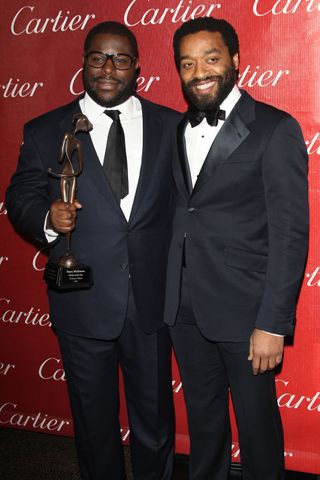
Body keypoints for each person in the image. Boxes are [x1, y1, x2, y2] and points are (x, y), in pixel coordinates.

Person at [6, 21, 181, 480]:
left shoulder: (171, 126)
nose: (109, 68)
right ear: (83, 62)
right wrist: (47, 218)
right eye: (98, 57)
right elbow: (20, 196)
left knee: (156, 424)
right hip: (81, 301)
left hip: (150, 303)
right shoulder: (46, 130)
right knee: (93, 424)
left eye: (120, 59)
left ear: (137, 66)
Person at [164, 17, 309, 480]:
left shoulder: (274, 128)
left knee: (257, 426)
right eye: (187, 63)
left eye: (211, 57)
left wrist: (272, 322)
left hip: (248, 315)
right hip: (183, 309)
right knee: (204, 423)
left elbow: (290, 234)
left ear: (236, 61)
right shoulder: (173, 131)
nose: (199, 71)